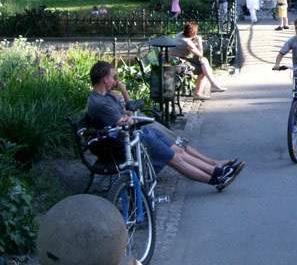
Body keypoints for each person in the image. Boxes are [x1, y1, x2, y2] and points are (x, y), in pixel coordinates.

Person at [86, 61, 244, 192]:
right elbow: (126, 119)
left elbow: (128, 112)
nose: (117, 80)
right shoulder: (100, 103)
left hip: (139, 133)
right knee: (176, 159)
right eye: (114, 77)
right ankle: (216, 180)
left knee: (179, 151)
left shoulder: (107, 96)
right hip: (129, 141)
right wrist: (127, 116)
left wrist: (126, 109)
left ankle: (216, 171)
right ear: (104, 79)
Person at [170, 22, 227, 97]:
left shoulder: (180, 34)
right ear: (193, 33)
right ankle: (199, 92)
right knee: (203, 70)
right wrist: (199, 43)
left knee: (204, 61)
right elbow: (200, 55)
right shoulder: (187, 43)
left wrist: (194, 41)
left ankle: (213, 84)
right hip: (178, 64)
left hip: (175, 60)